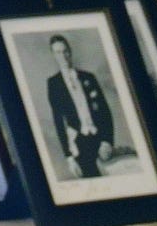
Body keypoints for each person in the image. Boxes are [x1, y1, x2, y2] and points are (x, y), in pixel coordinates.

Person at [39, 34, 115, 177]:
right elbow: (58, 122)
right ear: (54, 55)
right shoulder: (53, 84)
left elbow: (105, 110)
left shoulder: (88, 77)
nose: (63, 56)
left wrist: (107, 140)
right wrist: (68, 156)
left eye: (65, 51)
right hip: (79, 143)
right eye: (58, 53)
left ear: (70, 51)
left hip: (99, 138)